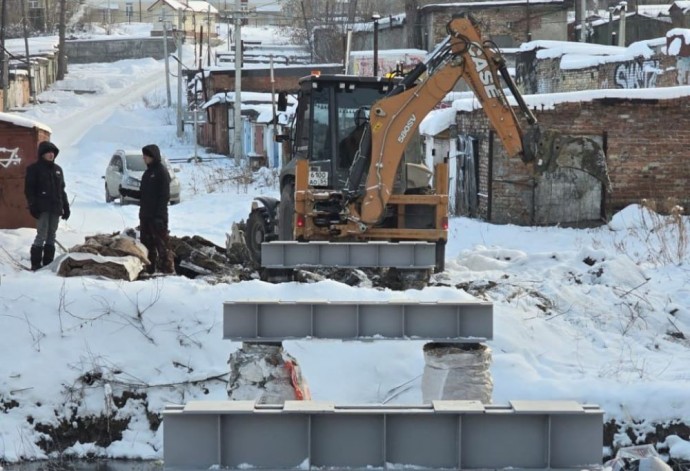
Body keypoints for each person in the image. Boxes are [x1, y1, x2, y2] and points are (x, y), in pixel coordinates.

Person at [24, 141, 70, 271]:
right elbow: (29, 190)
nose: (51, 155)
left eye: (53, 153)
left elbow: (62, 190)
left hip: (55, 208)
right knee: (41, 235)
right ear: (42, 154)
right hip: (42, 208)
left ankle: (48, 264)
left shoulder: (58, 170)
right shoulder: (34, 169)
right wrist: (32, 205)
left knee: (52, 235)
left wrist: (66, 207)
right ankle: (35, 265)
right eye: (48, 152)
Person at [137, 144, 175, 274]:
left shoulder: (161, 172)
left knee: (162, 246)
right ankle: (149, 269)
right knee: (147, 246)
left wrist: (159, 216)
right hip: (145, 216)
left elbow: (164, 196)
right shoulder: (147, 173)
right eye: (144, 156)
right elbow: (143, 194)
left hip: (157, 217)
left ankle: (168, 271)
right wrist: (127, 192)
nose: (144, 158)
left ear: (153, 156)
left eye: (146, 156)